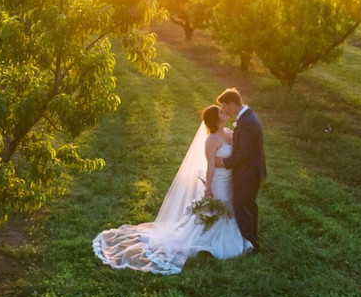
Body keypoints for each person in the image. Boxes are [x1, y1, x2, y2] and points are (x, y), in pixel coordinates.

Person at [92, 104, 253, 275]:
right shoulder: (211, 140)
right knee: (218, 210)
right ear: (216, 119)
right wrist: (208, 187)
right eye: (221, 112)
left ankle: (224, 234)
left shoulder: (228, 133)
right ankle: (201, 239)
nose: (224, 112)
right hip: (218, 181)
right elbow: (210, 166)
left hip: (230, 181)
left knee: (228, 208)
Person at [214, 87, 266, 253]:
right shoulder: (246, 117)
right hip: (251, 171)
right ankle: (251, 240)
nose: (223, 110)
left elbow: (243, 154)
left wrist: (223, 162)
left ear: (231, 104)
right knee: (249, 206)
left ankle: (250, 245)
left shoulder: (247, 123)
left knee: (244, 207)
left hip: (248, 173)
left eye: (223, 107)